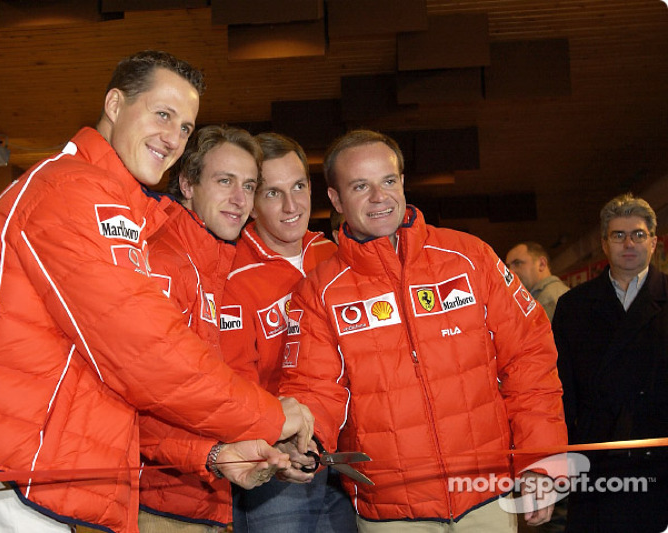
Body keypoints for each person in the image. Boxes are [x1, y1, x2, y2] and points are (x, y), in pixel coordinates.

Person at [0, 51, 313, 533]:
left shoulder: (108, 202)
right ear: (115, 103)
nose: (172, 137)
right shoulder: (72, 193)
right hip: (6, 478)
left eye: (185, 127)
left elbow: (120, 385)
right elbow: (150, 357)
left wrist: (211, 452)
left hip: (36, 478)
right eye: (162, 114)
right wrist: (270, 417)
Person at [279, 129, 567, 532]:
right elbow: (314, 390)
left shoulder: (470, 257)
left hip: (487, 498)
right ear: (336, 199)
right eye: (361, 186)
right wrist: (303, 444)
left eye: (389, 181)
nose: (380, 197)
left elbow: (529, 362)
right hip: (392, 512)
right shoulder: (318, 292)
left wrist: (540, 462)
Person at [221, 132, 356, 532]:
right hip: (279, 460)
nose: (292, 206)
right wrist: (275, 438)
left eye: (298, 187)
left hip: (348, 452)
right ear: (250, 202)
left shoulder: (334, 255)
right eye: (272, 193)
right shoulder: (229, 273)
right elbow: (232, 378)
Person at [137, 124, 264, 532]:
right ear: (187, 184)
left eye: (249, 185)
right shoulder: (163, 262)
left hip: (204, 498)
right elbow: (142, 398)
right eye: (224, 181)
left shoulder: (211, 266)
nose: (239, 199)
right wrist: (212, 454)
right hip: (156, 502)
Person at [552, 193, 668, 533]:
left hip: (659, 461)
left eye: (638, 234)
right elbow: (562, 390)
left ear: (654, 242)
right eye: (618, 235)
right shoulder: (573, 307)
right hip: (596, 466)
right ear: (605, 244)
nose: (628, 243)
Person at [506, 241, 570, 321]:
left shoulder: (548, 300)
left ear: (541, 264)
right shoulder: (544, 298)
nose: (510, 272)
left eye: (517, 263)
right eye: (508, 267)